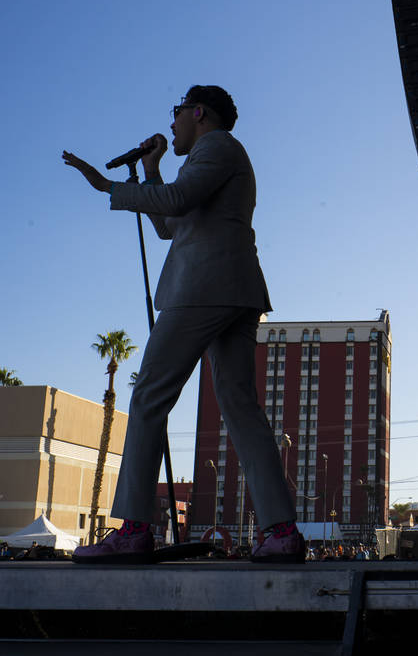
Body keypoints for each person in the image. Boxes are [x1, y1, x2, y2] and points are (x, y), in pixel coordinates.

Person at [62, 85, 304, 564]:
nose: (170, 125)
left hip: (203, 288)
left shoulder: (218, 146)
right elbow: (167, 225)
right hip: (233, 290)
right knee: (240, 407)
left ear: (198, 112)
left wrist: (107, 186)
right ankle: (281, 531)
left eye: (175, 113)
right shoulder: (207, 161)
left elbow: (174, 202)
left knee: (150, 395)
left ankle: (134, 529)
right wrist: (151, 169)